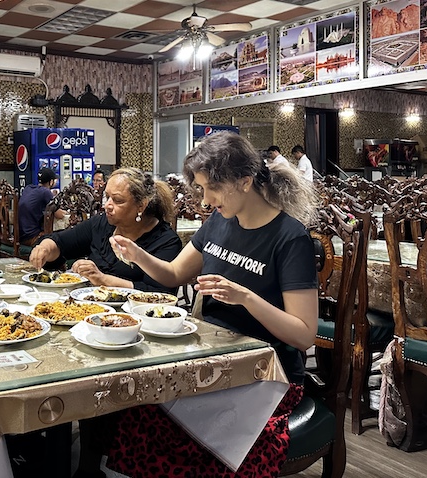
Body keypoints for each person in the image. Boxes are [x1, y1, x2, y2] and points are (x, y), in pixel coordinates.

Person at [105, 131, 319, 477]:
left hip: (266, 371)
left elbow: (304, 334)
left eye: (210, 190)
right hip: (213, 359)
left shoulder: (290, 238)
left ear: (245, 181)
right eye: (202, 190)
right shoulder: (221, 221)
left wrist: (245, 297)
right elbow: (175, 273)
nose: (205, 201)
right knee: (142, 410)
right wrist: (138, 255)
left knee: (201, 445)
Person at [29, 167, 182, 293]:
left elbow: (159, 294)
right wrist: (45, 248)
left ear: (141, 205)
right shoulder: (102, 224)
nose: (107, 205)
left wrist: (103, 279)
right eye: (106, 197)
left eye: (117, 200)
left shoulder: (166, 241)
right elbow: (61, 242)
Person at [18, 167, 65, 246]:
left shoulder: (28, 188)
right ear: (51, 182)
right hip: (32, 237)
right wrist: (68, 213)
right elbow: (59, 215)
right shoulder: (45, 192)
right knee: (61, 238)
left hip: (20, 236)